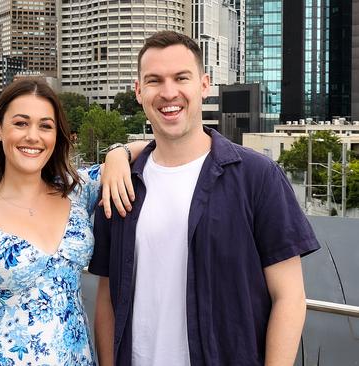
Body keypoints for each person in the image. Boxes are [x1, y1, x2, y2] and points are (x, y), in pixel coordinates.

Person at [89, 31, 321, 366]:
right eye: (154, 81)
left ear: (204, 84)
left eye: (181, 77)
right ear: (139, 91)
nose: (169, 92)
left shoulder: (258, 176)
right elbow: (107, 298)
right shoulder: (121, 183)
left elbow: (289, 297)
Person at [0, 78, 146, 365]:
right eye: (21, 123)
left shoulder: (77, 193)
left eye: (45, 126)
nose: (33, 136)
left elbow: (155, 147)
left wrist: (118, 153)